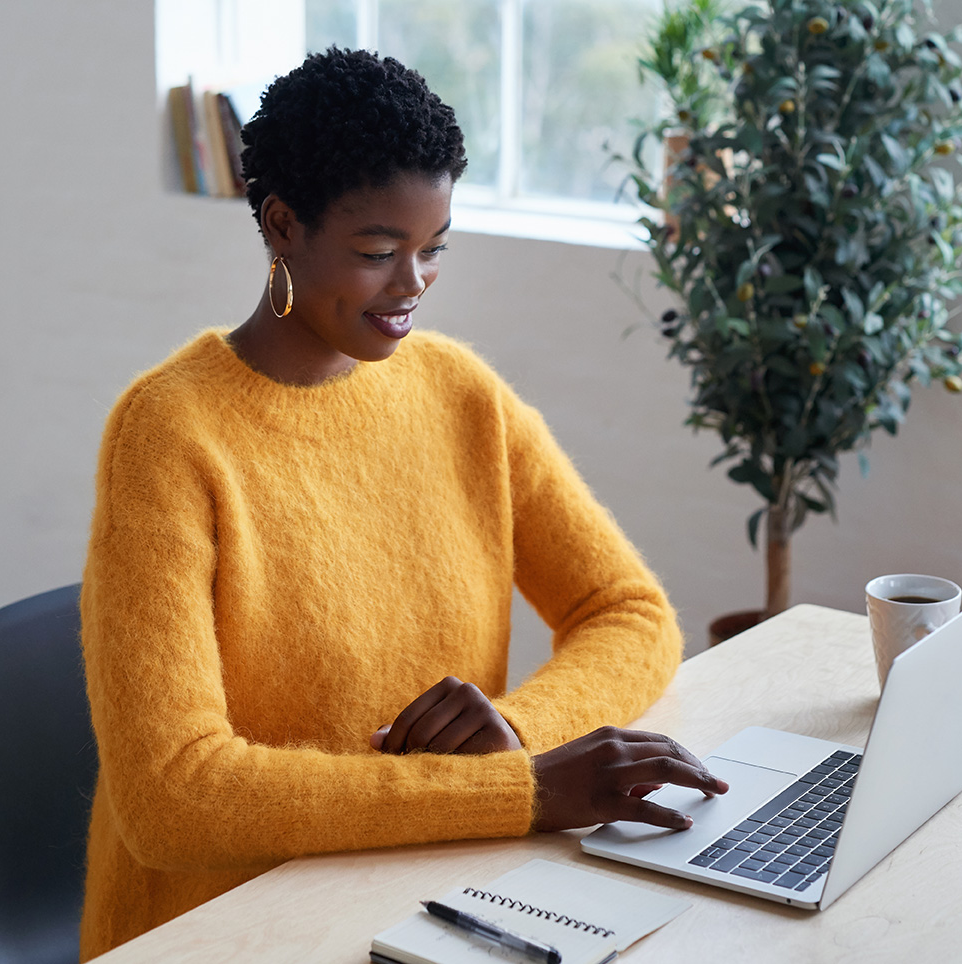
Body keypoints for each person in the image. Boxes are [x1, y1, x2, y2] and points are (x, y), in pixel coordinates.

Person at [78, 47, 727, 960]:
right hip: (224, 924)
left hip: (434, 892)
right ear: (281, 226)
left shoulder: (461, 393)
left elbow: (627, 611)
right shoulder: (170, 435)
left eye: (434, 250)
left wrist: (520, 738)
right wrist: (528, 792)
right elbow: (172, 798)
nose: (413, 283)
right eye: (379, 253)